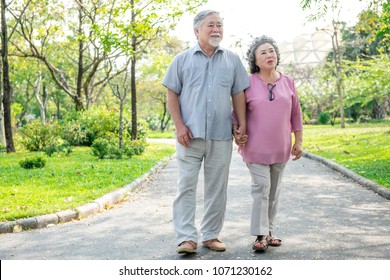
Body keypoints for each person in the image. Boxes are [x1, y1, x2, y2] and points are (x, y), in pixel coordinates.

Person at [162, 9, 249, 254]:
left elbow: (239, 93)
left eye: (219, 25)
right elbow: (172, 94)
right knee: (186, 187)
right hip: (189, 136)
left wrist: (242, 123)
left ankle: (211, 235)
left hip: (221, 135)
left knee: (217, 188)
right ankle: (186, 238)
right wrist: (179, 125)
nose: (216, 29)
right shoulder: (181, 59)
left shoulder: (232, 59)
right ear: (196, 30)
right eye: (210, 25)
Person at [232, 35, 303, 252]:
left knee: (274, 191)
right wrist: (237, 132)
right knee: (261, 188)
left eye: (271, 50)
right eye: (263, 52)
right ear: (255, 60)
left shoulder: (288, 81)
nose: (269, 55)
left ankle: (270, 231)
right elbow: (236, 113)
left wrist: (298, 141)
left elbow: (296, 114)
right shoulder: (247, 82)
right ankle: (260, 234)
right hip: (255, 146)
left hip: (281, 146)